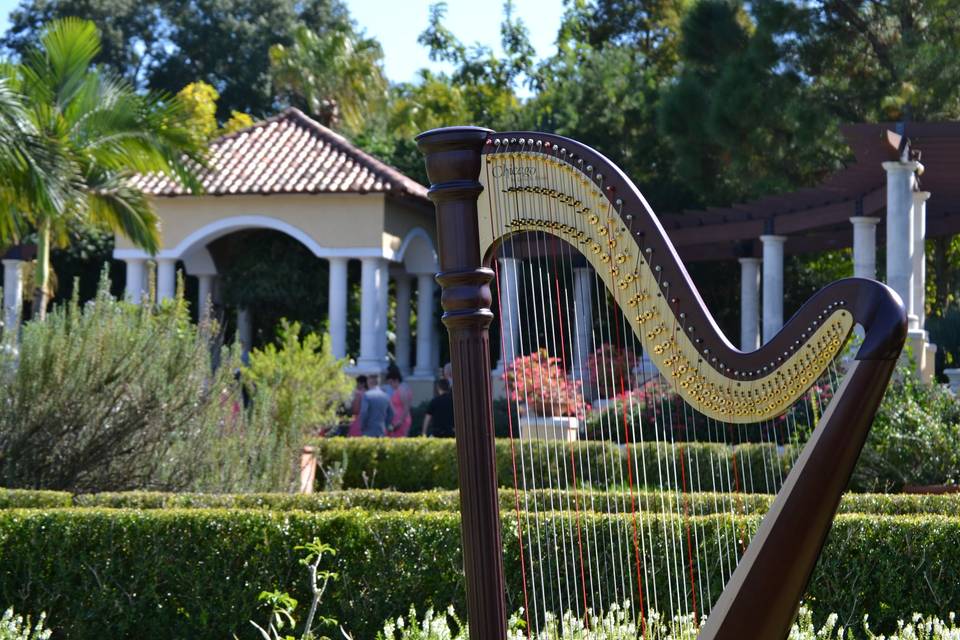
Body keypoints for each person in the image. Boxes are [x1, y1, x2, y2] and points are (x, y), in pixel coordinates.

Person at [386, 369, 413, 438]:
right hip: (397, 420)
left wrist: (400, 420)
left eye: (391, 382)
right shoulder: (398, 389)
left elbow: (406, 406)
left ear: (396, 380)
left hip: (401, 420)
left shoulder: (402, 389)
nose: (390, 385)